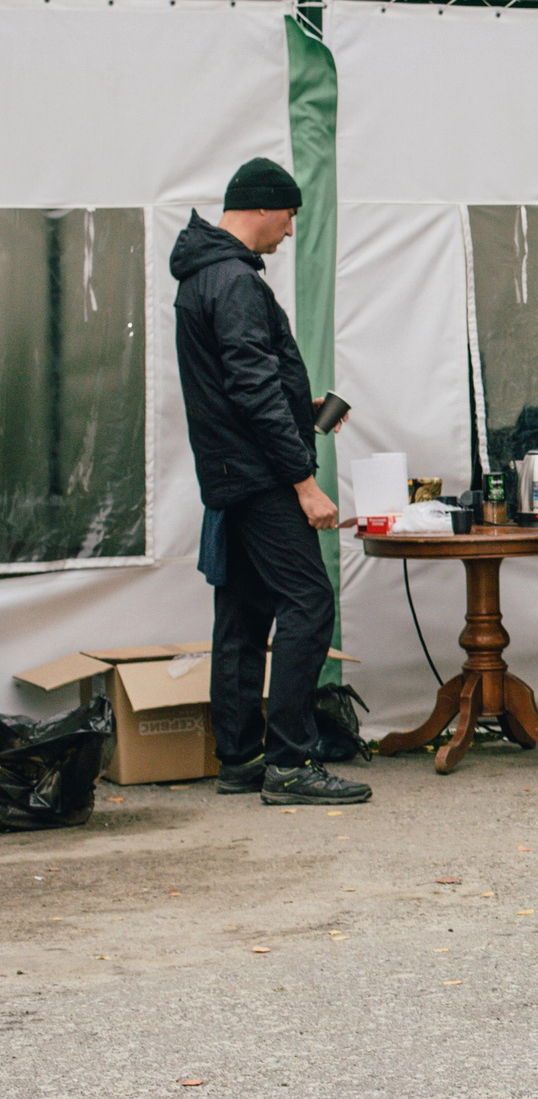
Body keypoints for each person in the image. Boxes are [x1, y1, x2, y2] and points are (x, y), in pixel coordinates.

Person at [172, 158, 371, 806]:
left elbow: (241, 384)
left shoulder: (204, 275)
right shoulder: (233, 280)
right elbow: (252, 386)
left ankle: (240, 758)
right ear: (263, 206)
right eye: (289, 216)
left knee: (243, 613)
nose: (289, 232)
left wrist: (299, 405)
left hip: (231, 473)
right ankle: (290, 761)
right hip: (260, 476)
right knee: (310, 604)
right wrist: (303, 481)